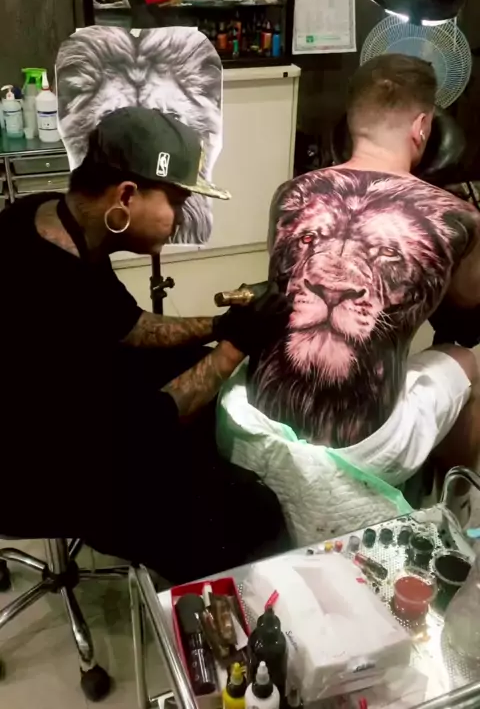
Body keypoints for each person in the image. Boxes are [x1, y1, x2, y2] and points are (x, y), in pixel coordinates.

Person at [0, 106, 291, 582]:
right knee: (248, 519)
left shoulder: (57, 218)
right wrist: (234, 348)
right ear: (126, 195)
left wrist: (221, 325)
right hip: (36, 472)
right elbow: (144, 427)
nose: (180, 218)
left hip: (78, 413)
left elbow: (127, 325)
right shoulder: (43, 290)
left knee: (194, 374)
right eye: (175, 201)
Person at [246, 54, 480, 515]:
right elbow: (469, 301)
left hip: (260, 419)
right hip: (368, 446)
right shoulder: (459, 217)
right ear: (422, 127)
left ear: (350, 122)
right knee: (466, 359)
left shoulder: (290, 193)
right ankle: (456, 511)